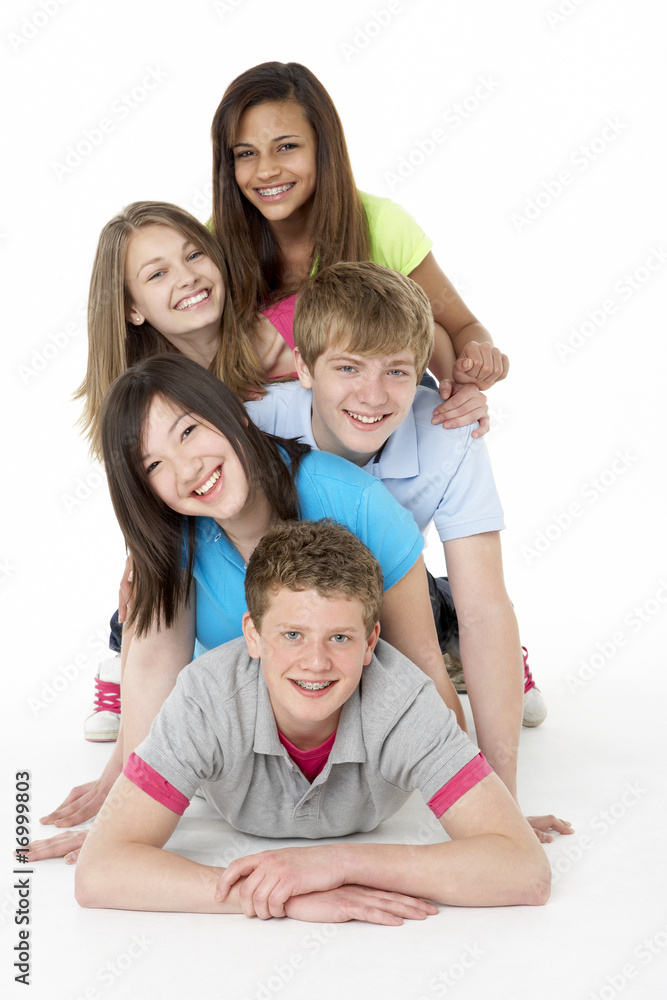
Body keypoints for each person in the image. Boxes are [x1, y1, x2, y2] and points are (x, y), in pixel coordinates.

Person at [29, 353, 469, 862]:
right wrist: (123, 815)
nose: (187, 468)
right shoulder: (173, 538)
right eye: (153, 464)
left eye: (189, 432)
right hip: (269, 710)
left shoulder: (355, 501)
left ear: (232, 414)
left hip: (355, 680)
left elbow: (421, 668)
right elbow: (152, 670)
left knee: (437, 621)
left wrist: (481, 800)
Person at [77, 201, 488, 743]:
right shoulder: (137, 396)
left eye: (195, 254)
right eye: (158, 273)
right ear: (132, 307)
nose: (187, 277)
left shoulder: (274, 338)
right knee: (155, 578)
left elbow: (391, 335)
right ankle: (118, 655)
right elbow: (153, 501)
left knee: (382, 591)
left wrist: (458, 379)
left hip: (342, 520)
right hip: (232, 546)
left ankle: (451, 624)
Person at [73, 519, 552, 920]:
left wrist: (338, 863)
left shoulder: (404, 702)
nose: (316, 662)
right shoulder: (206, 698)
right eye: (293, 635)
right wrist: (277, 895)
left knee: (448, 614)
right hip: (211, 701)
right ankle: (118, 671)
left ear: (370, 644)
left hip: (415, 671)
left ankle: (497, 665)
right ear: (253, 637)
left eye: (340, 638)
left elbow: (525, 870)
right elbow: (99, 871)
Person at [245, 262, 567, 839]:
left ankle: (466, 659)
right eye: (347, 368)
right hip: (305, 602)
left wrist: (498, 800)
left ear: (420, 370)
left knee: (437, 621)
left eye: (397, 371)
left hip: (396, 591)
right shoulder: (255, 424)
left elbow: (487, 608)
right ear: (303, 369)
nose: (373, 396)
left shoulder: (448, 431)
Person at [211, 60, 509, 390]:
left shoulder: (382, 225)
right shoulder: (211, 242)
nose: (265, 171)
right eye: (246, 153)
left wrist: (469, 373)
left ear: (323, 147)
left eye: (286, 147)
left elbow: (462, 327)